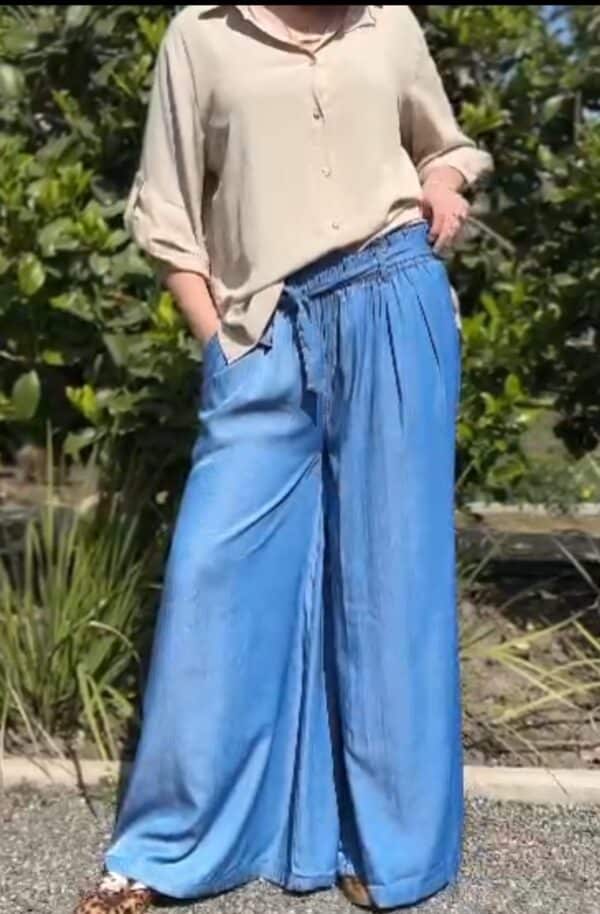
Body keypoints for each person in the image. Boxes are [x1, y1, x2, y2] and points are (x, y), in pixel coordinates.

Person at [75, 5, 493, 913]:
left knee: (391, 585)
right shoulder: (201, 34)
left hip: (395, 297)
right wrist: (222, 345)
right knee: (213, 573)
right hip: (267, 327)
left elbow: (447, 144)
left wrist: (445, 179)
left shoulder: (388, 23)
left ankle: (386, 847)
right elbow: (166, 210)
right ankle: (166, 845)